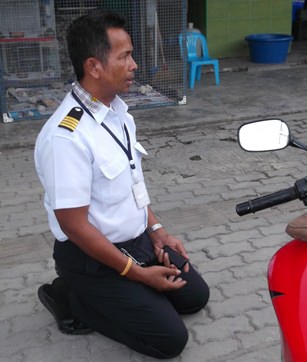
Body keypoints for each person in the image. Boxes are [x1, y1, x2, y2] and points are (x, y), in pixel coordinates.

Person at [34, 9, 209, 359]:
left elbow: (131, 181)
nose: (134, 65)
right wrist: (138, 276)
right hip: (91, 258)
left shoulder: (118, 113)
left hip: (137, 241)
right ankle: (69, 297)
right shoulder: (66, 136)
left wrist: (157, 230)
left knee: (194, 297)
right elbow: (75, 226)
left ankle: (130, 297)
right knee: (169, 340)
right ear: (94, 66)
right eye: (124, 56)